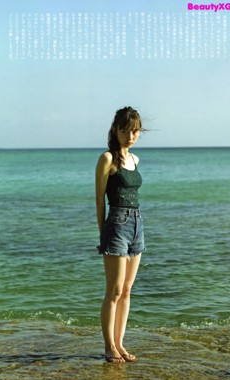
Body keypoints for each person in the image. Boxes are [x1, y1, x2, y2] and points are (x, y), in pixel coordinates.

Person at [95, 106, 146, 364]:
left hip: (137, 225)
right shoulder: (107, 159)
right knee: (113, 291)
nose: (130, 135)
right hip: (116, 224)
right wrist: (102, 234)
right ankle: (108, 346)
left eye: (134, 131)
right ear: (115, 130)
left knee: (127, 290)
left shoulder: (135, 160)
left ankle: (120, 343)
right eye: (125, 130)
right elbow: (99, 201)